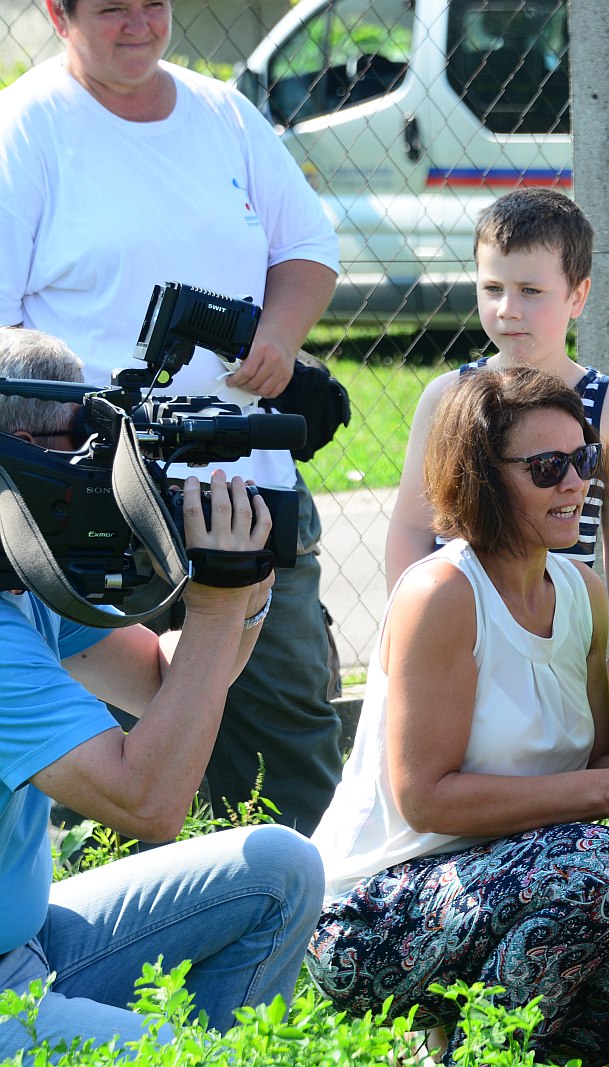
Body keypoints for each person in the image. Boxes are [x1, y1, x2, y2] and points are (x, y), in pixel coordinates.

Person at [309, 368, 609, 1063]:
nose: (575, 483)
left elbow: (588, 768)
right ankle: (474, 1056)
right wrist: (605, 788)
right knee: (601, 865)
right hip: (373, 912)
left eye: (584, 458)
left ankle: (482, 1043)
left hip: (514, 892)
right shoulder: (443, 594)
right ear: (482, 476)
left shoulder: (582, 594)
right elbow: (425, 797)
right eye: (546, 467)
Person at [0, 0, 344, 832]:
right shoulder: (28, 127)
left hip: (244, 485)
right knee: (115, 767)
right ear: (57, 13)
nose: (138, 25)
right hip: (87, 508)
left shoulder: (223, 112)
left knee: (289, 744)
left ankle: (321, 938)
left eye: (152, 3)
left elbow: (307, 247)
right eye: (111, 8)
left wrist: (277, 336)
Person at [0, 329, 320, 1057]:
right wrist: (211, 607)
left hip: (30, 941)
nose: (108, 469)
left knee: (280, 869)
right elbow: (149, 800)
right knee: (184, 1054)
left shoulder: (20, 569)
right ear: (23, 448)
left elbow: (162, 686)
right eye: (85, 442)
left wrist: (247, 586)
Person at [385, 189, 609, 703]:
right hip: (457, 636)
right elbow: (412, 527)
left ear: (578, 296)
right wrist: (407, 635)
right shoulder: (446, 398)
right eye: (493, 288)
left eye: (531, 290)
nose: (508, 309)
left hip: (564, 641)